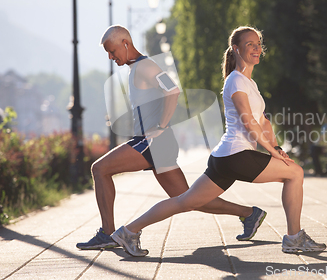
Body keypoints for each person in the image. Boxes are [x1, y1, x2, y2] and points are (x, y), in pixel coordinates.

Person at [111, 26, 327, 256]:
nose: (256, 48)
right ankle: (294, 238)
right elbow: (248, 122)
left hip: (225, 158)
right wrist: (270, 152)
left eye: (258, 44)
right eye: (249, 44)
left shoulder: (248, 83)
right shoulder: (235, 81)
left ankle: (128, 231)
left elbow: (263, 122)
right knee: (295, 173)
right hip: (237, 155)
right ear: (236, 49)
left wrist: (276, 148)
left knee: (185, 201)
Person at [76, 25, 266, 250]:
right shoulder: (137, 67)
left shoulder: (144, 66)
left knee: (100, 169)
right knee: (187, 199)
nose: (110, 57)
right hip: (158, 143)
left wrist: (160, 125)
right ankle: (249, 213)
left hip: (153, 142)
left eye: (112, 51)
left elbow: (172, 90)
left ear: (125, 44)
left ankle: (107, 233)